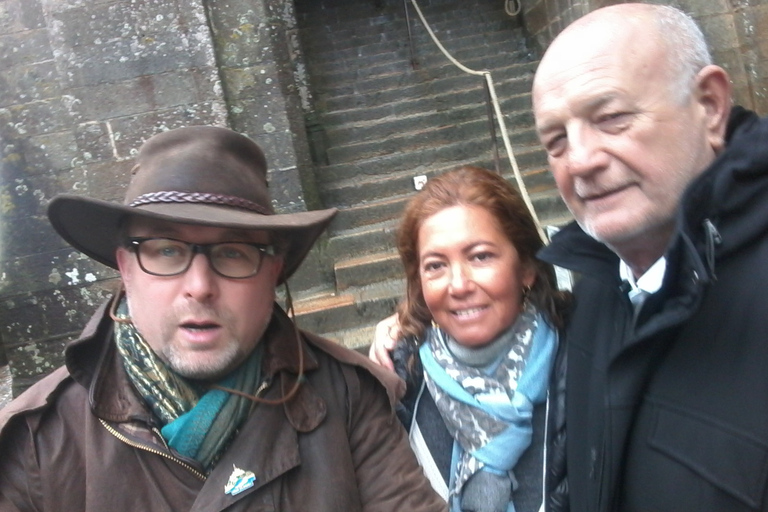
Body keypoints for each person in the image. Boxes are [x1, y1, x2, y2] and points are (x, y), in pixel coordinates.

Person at [374, 3, 768, 511]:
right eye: (555, 140)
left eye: (612, 118)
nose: (580, 160)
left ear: (710, 105)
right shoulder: (600, 289)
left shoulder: (565, 333)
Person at [0, 126, 447, 511]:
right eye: (167, 250)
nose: (200, 285)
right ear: (125, 267)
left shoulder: (349, 396)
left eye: (232, 253)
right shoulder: (38, 439)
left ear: (273, 270)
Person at [387, 166, 570, 512]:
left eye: (480, 256)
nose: (458, 285)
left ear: (527, 268)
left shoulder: (583, 361)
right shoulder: (400, 383)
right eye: (436, 265)